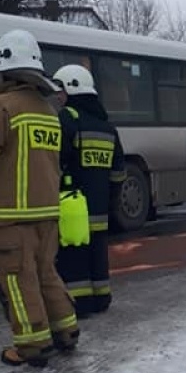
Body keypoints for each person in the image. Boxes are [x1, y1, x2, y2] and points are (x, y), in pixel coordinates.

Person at [0, 29, 80, 368]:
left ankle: (31, 346)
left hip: (11, 213)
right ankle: (66, 331)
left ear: (3, 65)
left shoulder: (1, 107)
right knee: (45, 273)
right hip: (46, 212)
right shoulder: (48, 110)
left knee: (17, 278)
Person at [53, 64, 126, 316]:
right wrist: (111, 199)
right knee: (97, 251)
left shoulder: (67, 119)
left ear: (72, 90)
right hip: (100, 205)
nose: (58, 96)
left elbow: (57, 160)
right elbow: (119, 172)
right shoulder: (107, 128)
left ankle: (79, 303)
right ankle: (101, 297)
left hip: (73, 205)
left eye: (60, 90)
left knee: (73, 253)